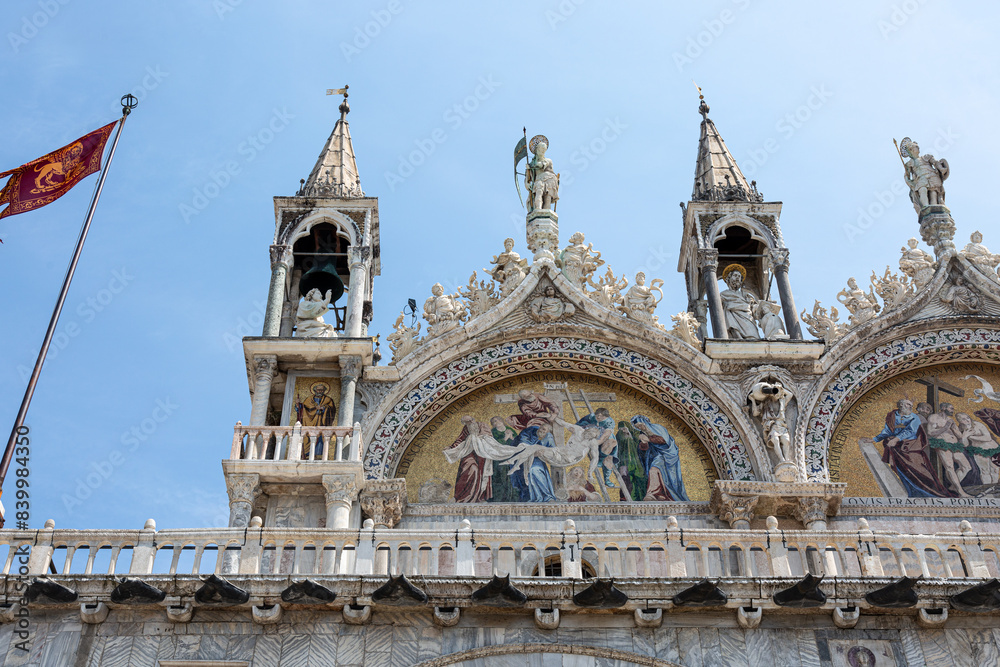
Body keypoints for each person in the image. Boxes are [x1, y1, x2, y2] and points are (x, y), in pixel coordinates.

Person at [873, 399, 951, 498]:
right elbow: (888, 430)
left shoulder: (916, 417)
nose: (910, 407)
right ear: (901, 405)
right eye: (908, 404)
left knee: (922, 470)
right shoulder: (896, 416)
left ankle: (930, 492)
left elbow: (912, 430)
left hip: (914, 447)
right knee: (906, 470)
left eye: (911, 405)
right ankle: (915, 492)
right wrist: (875, 439)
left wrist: (896, 439)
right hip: (900, 447)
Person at [630, 415, 689, 501]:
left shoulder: (657, 428)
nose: (640, 427)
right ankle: (654, 494)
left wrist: (649, 440)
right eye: (637, 427)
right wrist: (643, 443)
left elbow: (664, 440)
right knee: (653, 470)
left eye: (640, 425)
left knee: (668, 478)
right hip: (657, 456)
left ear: (645, 422)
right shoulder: (642, 434)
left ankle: (664, 494)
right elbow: (643, 450)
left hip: (669, 455)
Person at [927, 402, 976, 496]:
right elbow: (930, 433)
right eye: (951, 408)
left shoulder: (950, 420)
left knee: (967, 467)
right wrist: (946, 427)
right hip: (942, 444)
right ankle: (960, 492)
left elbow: (959, 435)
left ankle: (953, 486)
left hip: (954, 444)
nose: (952, 410)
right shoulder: (934, 418)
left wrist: (963, 434)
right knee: (949, 467)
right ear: (943, 408)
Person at [956, 412, 1000, 486]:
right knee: (984, 471)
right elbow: (965, 445)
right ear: (959, 421)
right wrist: (964, 437)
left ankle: (994, 487)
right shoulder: (960, 429)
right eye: (964, 419)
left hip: (992, 449)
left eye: (968, 417)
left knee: (995, 470)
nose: (967, 420)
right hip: (978, 451)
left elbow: (987, 438)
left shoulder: (977, 424)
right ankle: (987, 488)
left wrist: (970, 436)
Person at [719, 265, 760, 339]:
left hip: (747, 318)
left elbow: (755, 309)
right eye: (735, 275)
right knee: (727, 310)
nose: (737, 277)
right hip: (732, 319)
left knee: (753, 337)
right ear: (729, 278)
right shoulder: (723, 295)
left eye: (739, 276)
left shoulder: (746, 295)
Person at [525, 137, 559, 212]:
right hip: (538, 180)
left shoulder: (548, 160)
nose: (543, 151)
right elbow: (527, 179)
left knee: (547, 198)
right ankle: (538, 210)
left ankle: (546, 213)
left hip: (549, 179)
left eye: (544, 149)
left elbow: (541, 165)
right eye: (542, 148)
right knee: (538, 193)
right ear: (537, 149)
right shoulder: (530, 165)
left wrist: (531, 166)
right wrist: (527, 184)